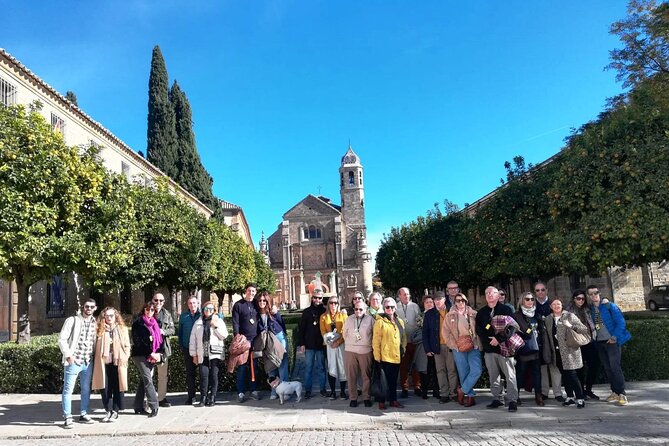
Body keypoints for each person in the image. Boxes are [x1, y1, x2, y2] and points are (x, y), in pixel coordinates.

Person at [475, 286, 518, 412]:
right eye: (487, 293)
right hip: (489, 349)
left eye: (492, 293)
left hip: (505, 348)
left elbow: (512, 327)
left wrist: (498, 339)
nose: (489, 295)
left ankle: (512, 400)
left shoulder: (506, 309)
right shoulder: (482, 312)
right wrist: (489, 341)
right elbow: (479, 329)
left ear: (498, 295)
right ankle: (497, 399)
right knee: (494, 375)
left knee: (510, 375)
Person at [57, 298, 98, 428]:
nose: (89, 309)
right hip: (74, 361)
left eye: (92, 307)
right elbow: (62, 339)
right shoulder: (72, 320)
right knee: (68, 390)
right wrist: (68, 356)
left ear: (95, 308)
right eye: (87, 306)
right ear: (82, 307)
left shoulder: (95, 323)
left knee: (86, 389)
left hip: (88, 361)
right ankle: (67, 416)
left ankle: (83, 414)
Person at [588, 285, 631, 406]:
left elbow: (621, 322)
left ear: (599, 293)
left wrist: (614, 337)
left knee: (615, 367)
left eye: (595, 293)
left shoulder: (609, 306)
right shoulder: (591, 309)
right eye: (590, 294)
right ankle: (615, 392)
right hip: (600, 343)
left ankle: (622, 393)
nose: (593, 295)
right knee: (607, 368)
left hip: (612, 342)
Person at [545, 298, 589, 408]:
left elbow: (584, 329)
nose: (556, 306)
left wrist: (571, 326)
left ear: (562, 305)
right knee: (565, 375)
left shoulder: (569, 315)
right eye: (553, 304)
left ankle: (580, 398)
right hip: (556, 352)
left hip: (570, 352)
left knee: (572, 375)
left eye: (558, 304)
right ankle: (569, 397)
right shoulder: (548, 319)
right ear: (550, 306)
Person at [92, 306, 130, 422]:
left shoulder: (122, 329)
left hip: (118, 362)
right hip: (104, 363)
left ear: (115, 316)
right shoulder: (99, 329)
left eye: (111, 315)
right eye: (107, 315)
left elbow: (127, 345)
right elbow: (94, 346)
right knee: (106, 388)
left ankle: (115, 411)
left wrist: (125, 356)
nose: (109, 318)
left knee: (118, 387)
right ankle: (108, 410)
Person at [443, 293, 481, 407]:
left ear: (466, 301)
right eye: (458, 300)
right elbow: (446, 333)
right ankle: (470, 396)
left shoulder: (474, 314)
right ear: (454, 302)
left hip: (473, 346)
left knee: (477, 370)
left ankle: (462, 390)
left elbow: (479, 330)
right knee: (463, 372)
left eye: (462, 300)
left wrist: (478, 344)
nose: (460, 302)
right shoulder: (450, 316)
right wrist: (454, 345)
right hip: (458, 347)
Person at [189, 300, 228, 406]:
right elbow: (193, 339)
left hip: (215, 352)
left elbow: (224, 335)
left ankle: (213, 397)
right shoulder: (198, 322)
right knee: (203, 375)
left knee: (214, 374)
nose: (208, 311)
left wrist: (215, 327)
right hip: (202, 352)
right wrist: (194, 354)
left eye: (210, 309)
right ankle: (203, 397)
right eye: (206, 309)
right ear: (203, 310)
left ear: (214, 311)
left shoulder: (218, 321)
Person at [422, 292, 458, 403]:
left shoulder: (451, 311)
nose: (437, 301)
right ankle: (444, 394)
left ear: (444, 299)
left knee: (452, 370)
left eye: (439, 299)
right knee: (440, 371)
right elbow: (425, 333)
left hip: (450, 345)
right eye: (435, 300)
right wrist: (427, 349)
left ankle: (454, 394)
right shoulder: (429, 314)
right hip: (437, 346)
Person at [512, 292, 546, 406]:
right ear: (522, 300)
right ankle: (515, 396)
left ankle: (538, 395)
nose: (530, 301)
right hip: (524, 349)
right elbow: (513, 332)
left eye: (532, 299)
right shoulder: (517, 315)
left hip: (536, 348)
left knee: (537, 373)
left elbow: (542, 330)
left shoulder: (537, 313)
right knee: (521, 372)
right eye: (527, 299)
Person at [131, 302, 165, 417]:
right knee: (148, 380)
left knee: (144, 380)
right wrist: (151, 353)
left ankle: (138, 406)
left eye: (152, 310)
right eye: (147, 309)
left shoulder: (156, 323)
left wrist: (158, 354)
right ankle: (154, 406)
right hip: (140, 355)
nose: (149, 311)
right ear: (143, 310)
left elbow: (160, 341)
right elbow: (138, 341)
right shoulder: (138, 323)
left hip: (152, 355)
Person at [372, 297, 407, 409]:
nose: (390, 309)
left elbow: (404, 337)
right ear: (384, 308)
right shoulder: (380, 322)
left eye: (392, 307)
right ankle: (382, 402)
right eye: (387, 307)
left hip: (396, 355)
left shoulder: (399, 321)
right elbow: (376, 340)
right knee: (383, 381)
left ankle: (393, 400)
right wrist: (377, 356)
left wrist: (403, 349)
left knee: (393, 380)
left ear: (395, 308)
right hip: (384, 356)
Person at [566, 289, 600, 400]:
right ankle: (581, 392)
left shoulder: (587, 308)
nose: (581, 300)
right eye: (578, 298)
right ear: (574, 299)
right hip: (577, 341)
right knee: (579, 368)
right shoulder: (569, 310)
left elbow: (598, 303)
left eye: (582, 298)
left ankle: (588, 389)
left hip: (589, 340)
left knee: (594, 365)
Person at [256, 292, 289, 400]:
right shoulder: (256, 313)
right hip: (266, 342)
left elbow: (282, 325)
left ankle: (285, 391)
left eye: (264, 300)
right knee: (270, 367)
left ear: (267, 301)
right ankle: (274, 391)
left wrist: (277, 312)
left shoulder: (273, 311)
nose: (262, 302)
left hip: (278, 338)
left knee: (282, 366)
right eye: (260, 300)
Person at [343, 299, 375, 408]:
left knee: (366, 375)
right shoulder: (349, 319)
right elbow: (344, 334)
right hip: (350, 351)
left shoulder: (370, 320)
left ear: (365, 310)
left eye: (360, 309)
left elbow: (374, 334)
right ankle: (353, 398)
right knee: (351, 376)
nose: (358, 311)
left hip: (365, 351)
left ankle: (366, 397)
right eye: (356, 309)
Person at [297, 285, 327, 399]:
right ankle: (308, 390)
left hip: (321, 345)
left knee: (321, 368)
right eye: (315, 297)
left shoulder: (325, 311)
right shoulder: (306, 312)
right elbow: (302, 329)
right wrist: (302, 343)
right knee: (308, 368)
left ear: (322, 299)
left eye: (319, 298)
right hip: (309, 345)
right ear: (312, 298)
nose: (317, 300)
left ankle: (323, 389)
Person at [232, 283, 260, 403]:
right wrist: (237, 337)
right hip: (243, 341)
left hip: (255, 340)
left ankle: (253, 390)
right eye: (249, 290)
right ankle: (241, 392)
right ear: (245, 291)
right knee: (242, 367)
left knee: (254, 367)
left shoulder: (256, 304)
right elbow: (235, 323)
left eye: (253, 291)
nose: (251, 293)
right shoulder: (238, 305)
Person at [395, 287, 421, 398]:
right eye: (404, 294)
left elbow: (419, 320)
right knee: (403, 366)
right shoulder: (395, 307)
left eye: (408, 294)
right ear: (399, 296)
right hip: (403, 342)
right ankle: (404, 388)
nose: (406, 296)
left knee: (416, 364)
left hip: (415, 341)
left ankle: (417, 387)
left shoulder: (415, 306)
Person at [320, 295, 348, 399]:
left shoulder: (343, 316)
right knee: (331, 367)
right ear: (328, 304)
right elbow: (323, 331)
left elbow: (346, 331)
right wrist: (330, 342)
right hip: (330, 345)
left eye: (335, 303)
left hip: (341, 345)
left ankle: (342, 391)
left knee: (342, 367)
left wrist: (339, 341)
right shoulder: (323, 316)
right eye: (331, 303)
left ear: (338, 304)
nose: (333, 305)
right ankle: (332, 391)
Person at [533, 281, 557, 401]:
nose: (540, 292)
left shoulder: (553, 303)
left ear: (547, 290)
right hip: (540, 340)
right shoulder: (532, 305)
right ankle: (544, 392)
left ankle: (558, 393)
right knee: (542, 367)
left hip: (553, 338)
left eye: (542, 290)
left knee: (554, 365)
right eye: (537, 290)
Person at [152, 293, 175, 408]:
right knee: (148, 376)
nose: (158, 303)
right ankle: (149, 399)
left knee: (162, 376)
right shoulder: (148, 312)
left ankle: (161, 398)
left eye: (161, 300)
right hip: (150, 350)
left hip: (162, 350)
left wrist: (163, 332)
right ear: (152, 300)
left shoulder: (167, 314)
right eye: (156, 300)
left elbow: (172, 330)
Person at [178, 295, 201, 405]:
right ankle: (191, 396)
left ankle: (203, 395)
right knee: (190, 374)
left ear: (198, 304)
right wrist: (181, 345)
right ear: (188, 305)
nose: (192, 305)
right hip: (187, 349)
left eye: (194, 303)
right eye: (190, 303)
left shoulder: (202, 315)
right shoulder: (183, 316)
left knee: (203, 373)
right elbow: (180, 332)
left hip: (200, 349)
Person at [418, 295, 439, 400]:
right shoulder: (420, 316)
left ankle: (436, 390)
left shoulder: (437, 314)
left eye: (431, 302)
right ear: (423, 304)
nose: (429, 304)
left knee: (436, 369)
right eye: (427, 302)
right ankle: (424, 390)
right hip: (423, 347)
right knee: (425, 369)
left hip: (436, 346)